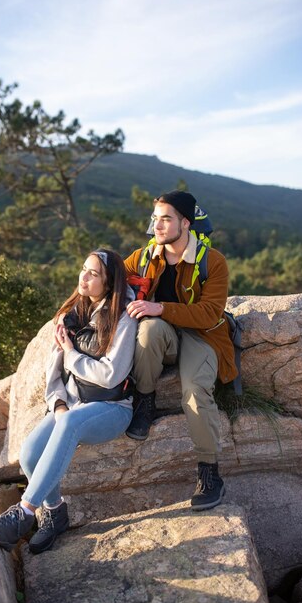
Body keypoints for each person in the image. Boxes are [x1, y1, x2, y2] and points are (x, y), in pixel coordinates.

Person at [0, 249, 137, 553]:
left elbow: (109, 376)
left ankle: (23, 514)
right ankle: (55, 514)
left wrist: (72, 353)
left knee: (70, 423)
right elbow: (53, 374)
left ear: (109, 284)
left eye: (94, 274)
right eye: (83, 269)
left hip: (112, 408)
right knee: (29, 454)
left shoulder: (123, 318)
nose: (84, 277)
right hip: (73, 406)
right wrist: (59, 404)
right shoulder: (70, 317)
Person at [124, 190, 237, 511]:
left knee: (195, 392)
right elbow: (104, 276)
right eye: (155, 218)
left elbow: (208, 313)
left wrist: (159, 307)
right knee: (147, 330)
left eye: (166, 219)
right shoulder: (145, 256)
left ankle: (210, 472)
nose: (157, 226)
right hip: (166, 334)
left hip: (203, 336)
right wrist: (67, 313)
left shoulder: (212, 261)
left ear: (185, 223)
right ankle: (145, 401)